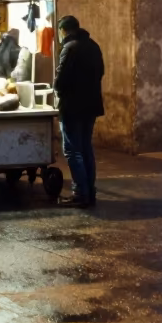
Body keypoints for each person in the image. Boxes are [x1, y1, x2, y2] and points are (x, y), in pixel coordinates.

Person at [54, 15, 105, 207]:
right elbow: (101, 72)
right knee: (85, 148)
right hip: (91, 105)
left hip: (72, 106)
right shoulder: (93, 46)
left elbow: (60, 81)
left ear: (63, 30)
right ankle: (89, 191)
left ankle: (80, 193)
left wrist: (59, 92)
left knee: (72, 150)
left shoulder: (69, 48)